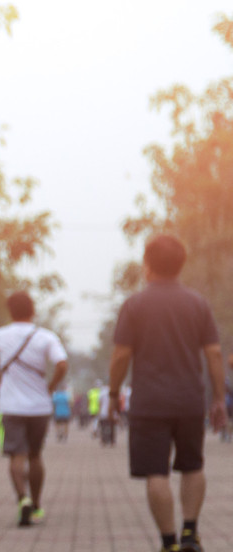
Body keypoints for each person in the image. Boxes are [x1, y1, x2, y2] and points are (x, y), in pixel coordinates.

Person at [109, 234, 226, 552]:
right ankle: (191, 532)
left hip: (149, 404)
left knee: (155, 471)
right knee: (192, 465)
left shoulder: (134, 305)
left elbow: (121, 356)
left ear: (147, 265)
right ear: (181, 265)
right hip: (190, 400)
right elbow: (214, 354)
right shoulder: (198, 303)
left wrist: (113, 394)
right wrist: (218, 398)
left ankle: (168, 542)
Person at [0, 290, 69, 527]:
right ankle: (37, 504)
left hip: (10, 406)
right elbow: (61, 363)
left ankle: (22, 498)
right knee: (35, 455)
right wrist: (50, 385)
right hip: (39, 406)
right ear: (33, 310)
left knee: (16, 456)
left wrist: (1, 380)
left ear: (10, 311)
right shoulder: (45, 337)